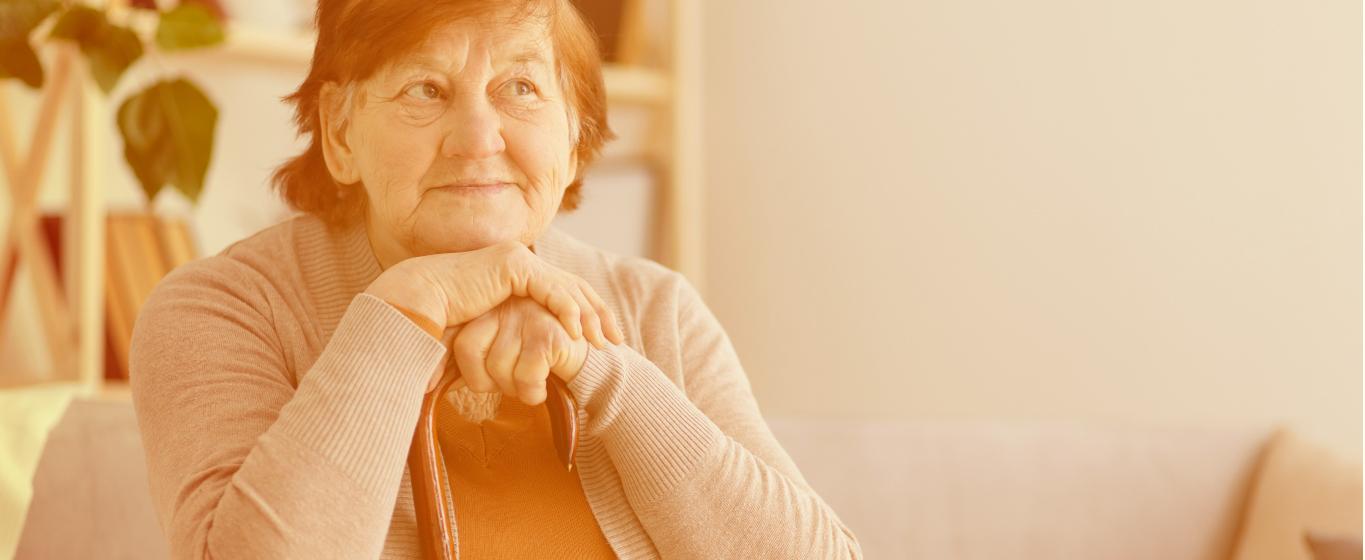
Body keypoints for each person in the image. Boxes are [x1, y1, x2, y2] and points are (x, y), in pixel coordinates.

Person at [128, 0, 863, 558]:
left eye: (520, 88)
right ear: (340, 132)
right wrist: (404, 312)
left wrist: (598, 365)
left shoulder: (655, 309)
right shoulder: (223, 310)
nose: (478, 138)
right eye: (423, 89)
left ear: (575, 140)